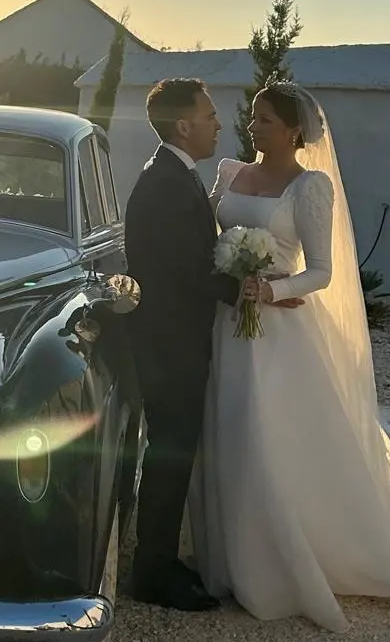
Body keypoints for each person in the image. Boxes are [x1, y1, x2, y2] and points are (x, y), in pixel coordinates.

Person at [189, 82, 390, 633]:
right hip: (226, 324)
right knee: (227, 425)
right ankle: (226, 552)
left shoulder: (310, 187)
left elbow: (322, 269)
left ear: (296, 130)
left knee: (263, 430)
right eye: (253, 118)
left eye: (267, 120)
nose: (255, 127)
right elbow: (204, 235)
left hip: (280, 330)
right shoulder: (228, 173)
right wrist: (228, 274)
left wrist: (269, 289)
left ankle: (274, 560)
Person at [123, 78, 303, 610]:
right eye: (209, 116)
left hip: (174, 337)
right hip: (169, 342)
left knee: (174, 451)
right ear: (184, 125)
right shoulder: (167, 183)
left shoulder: (176, 176)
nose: (219, 124)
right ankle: (152, 572)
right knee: (170, 453)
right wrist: (253, 289)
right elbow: (187, 270)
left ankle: (159, 559)